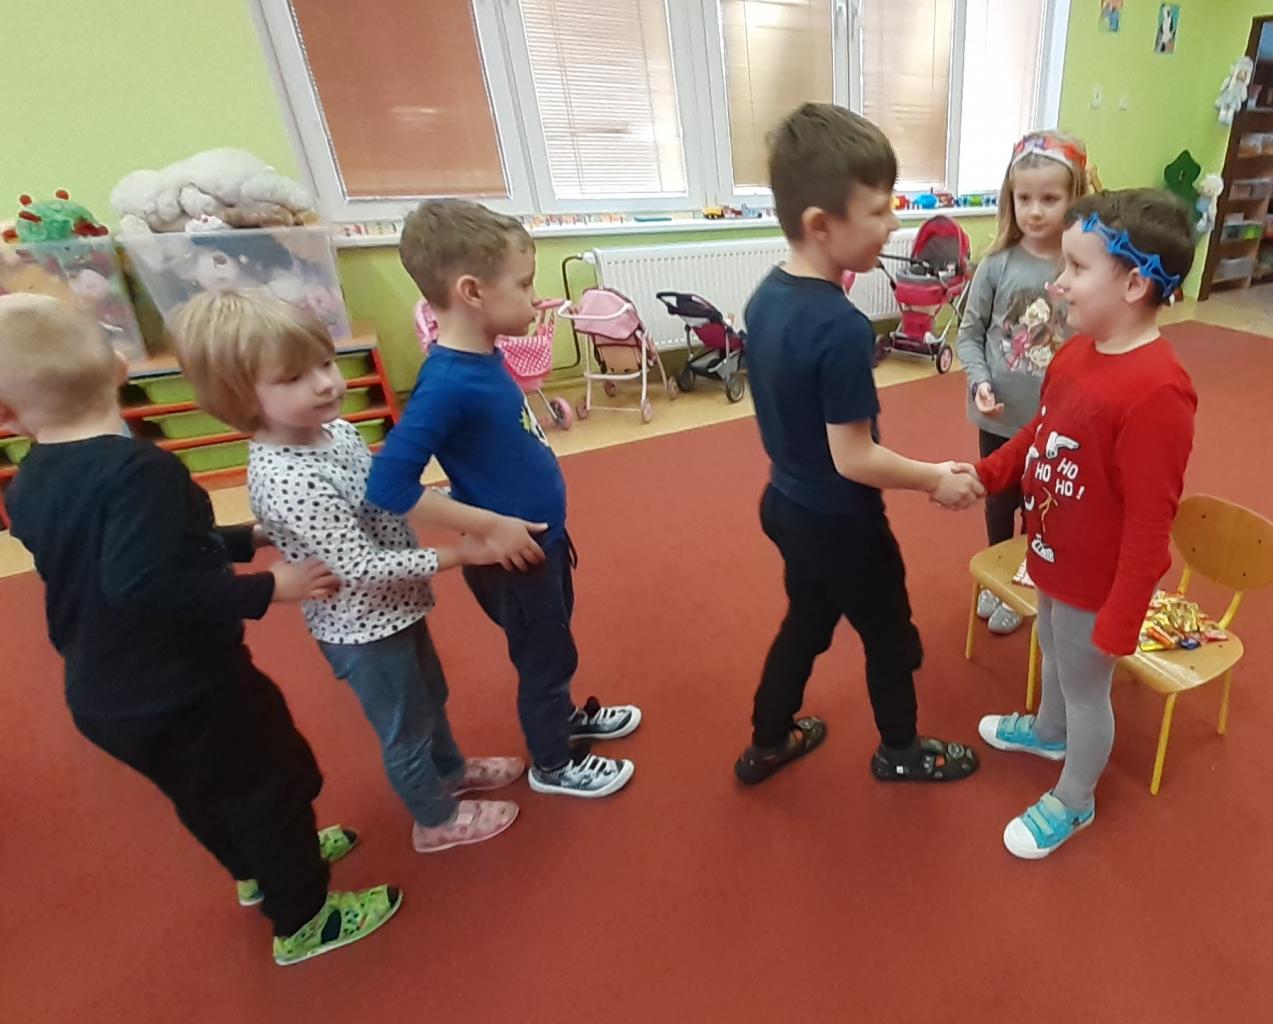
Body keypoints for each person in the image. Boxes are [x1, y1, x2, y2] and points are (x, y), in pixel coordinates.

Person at [0, 294, 401, 966]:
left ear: (6, 415)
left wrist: (242, 538)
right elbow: (146, 584)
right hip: (184, 686)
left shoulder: (30, 479)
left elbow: (129, 551)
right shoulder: (141, 470)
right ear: (119, 364)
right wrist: (270, 588)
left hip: (105, 694)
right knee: (269, 785)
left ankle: (256, 870)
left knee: (203, 792)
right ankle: (305, 917)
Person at [171, 291, 525, 854]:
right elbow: (359, 568)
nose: (325, 384)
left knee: (430, 693)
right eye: (294, 377)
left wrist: (443, 503)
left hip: (399, 606)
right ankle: (434, 820)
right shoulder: (287, 478)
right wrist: (459, 553)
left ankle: (451, 770)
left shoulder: (336, 433)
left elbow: (379, 494)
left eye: (326, 363)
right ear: (240, 397)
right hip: (361, 627)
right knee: (405, 727)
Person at [733, 102, 982, 786]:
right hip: (840, 521)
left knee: (809, 620)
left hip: (786, 503)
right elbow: (854, 457)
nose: (894, 224)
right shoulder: (840, 327)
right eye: (878, 210)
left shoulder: (765, 297)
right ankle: (901, 749)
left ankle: (768, 739)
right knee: (889, 636)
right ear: (822, 225)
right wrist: (936, 477)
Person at [366, 199, 642, 799]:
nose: (532, 296)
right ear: (472, 291)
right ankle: (553, 763)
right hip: (515, 557)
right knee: (544, 659)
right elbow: (387, 486)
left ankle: (562, 717)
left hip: (543, 542)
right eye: (523, 284)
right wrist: (489, 527)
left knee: (554, 645)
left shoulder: (485, 356)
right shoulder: (446, 382)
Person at [972, 188, 1197, 859]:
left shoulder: (1158, 390)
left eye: (1075, 268)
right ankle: (1049, 731)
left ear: (1133, 284)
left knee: (1084, 685)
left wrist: (1122, 618)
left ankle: (1075, 798)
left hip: (1095, 578)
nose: (1058, 282)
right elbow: (1040, 432)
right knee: (1050, 643)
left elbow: (1151, 524)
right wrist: (990, 473)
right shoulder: (1076, 353)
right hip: (1051, 552)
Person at [957, 130, 1090, 636]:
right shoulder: (997, 264)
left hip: (1055, 423)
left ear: (1074, 198)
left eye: (1050, 199)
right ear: (1009, 199)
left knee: (1042, 505)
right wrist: (979, 381)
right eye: (1024, 198)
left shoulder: (1081, 268)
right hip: (999, 417)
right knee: (999, 501)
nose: (1035, 211)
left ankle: (1029, 577)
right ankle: (999, 578)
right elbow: (970, 334)